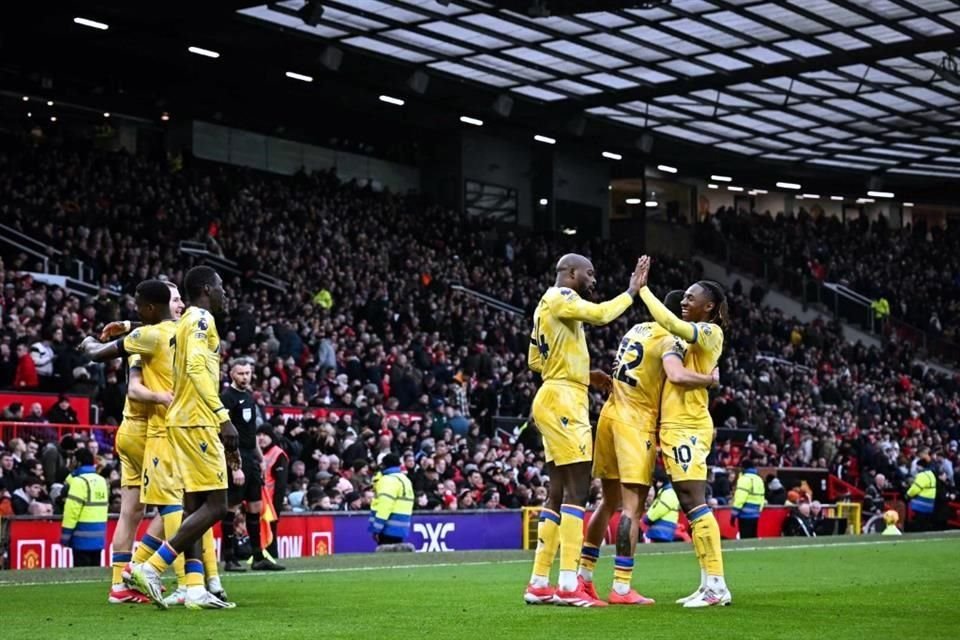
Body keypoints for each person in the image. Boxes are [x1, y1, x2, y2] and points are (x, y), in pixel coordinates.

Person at [578, 290, 717, 605]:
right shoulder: (672, 340)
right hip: (635, 423)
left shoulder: (636, 329)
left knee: (606, 501)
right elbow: (675, 374)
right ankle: (622, 587)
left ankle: (584, 578)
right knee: (632, 507)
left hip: (609, 415)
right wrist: (708, 379)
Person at [523, 253, 643, 608]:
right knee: (577, 492)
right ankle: (567, 585)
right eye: (589, 273)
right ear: (571, 273)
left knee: (557, 492)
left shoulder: (545, 307)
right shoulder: (563, 297)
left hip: (555, 393)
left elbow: (534, 360)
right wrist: (632, 291)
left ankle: (539, 583)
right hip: (564, 400)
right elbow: (603, 314)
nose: (593, 279)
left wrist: (581, 374)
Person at [132, 266, 239, 610]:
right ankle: (151, 566)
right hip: (197, 421)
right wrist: (222, 416)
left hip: (180, 420)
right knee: (218, 505)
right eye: (221, 287)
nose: (225, 293)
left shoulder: (183, 322)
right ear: (207, 288)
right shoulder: (202, 318)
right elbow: (195, 367)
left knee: (194, 506)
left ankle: (194, 590)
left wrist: (125, 328)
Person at [81, 280, 187, 603]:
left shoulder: (146, 337)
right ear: (160, 306)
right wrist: (162, 397)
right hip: (145, 430)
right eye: (176, 299)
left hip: (128, 431)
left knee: (131, 512)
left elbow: (159, 328)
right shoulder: (149, 342)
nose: (182, 305)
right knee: (176, 503)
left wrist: (127, 325)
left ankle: (119, 585)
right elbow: (134, 388)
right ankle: (145, 569)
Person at [635, 255, 731, 607]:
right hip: (675, 426)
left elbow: (672, 327)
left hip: (690, 427)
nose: (686, 302)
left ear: (709, 307)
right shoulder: (686, 339)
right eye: (685, 298)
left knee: (694, 502)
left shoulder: (710, 332)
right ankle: (708, 583)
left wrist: (642, 291)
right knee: (690, 504)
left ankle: (717, 585)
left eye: (692, 298)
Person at [221, 358, 284, 571]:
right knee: (232, 507)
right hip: (236, 458)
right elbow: (224, 435)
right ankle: (229, 559)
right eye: (240, 373)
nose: (245, 377)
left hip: (251, 458)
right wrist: (234, 465)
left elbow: (251, 433)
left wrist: (260, 458)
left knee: (255, 506)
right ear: (232, 374)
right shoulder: (226, 399)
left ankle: (258, 557)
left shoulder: (248, 397)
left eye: (247, 373)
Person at [60, 447, 108, 567]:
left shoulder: (79, 482)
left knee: (81, 572)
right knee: (94, 575)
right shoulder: (102, 480)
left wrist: (65, 536)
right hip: (99, 536)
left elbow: (72, 512)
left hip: (81, 537)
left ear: (77, 462)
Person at [368, 453, 415, 551]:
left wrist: (377, 528)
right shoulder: (405, 479)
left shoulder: (388, 480)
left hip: (387, 527)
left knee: (385, 558)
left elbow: (385, 506)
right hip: (401, 527)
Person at [258, 426, 289, 563]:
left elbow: (281, 483)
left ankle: (272, 557)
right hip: (256, 501)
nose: (261, 437)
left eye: (265, 434)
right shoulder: (256, 453)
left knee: (270, 532)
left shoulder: (278, 454)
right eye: (259, 434)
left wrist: (276, 506)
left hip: (270, 502)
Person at [730, 460, 764, 539]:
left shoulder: (744, 479)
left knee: (745, 538)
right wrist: (759, 510)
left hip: (744, 514)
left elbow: (740, 498)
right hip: (755, 514)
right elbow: (762, 497)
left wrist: (734, 514)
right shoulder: (759, 479)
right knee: (753, 538)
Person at [906, 459, 937, 532]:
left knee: (919, 520)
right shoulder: (931, 474)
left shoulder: (922, 475)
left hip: (921, 502)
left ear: (921, 466)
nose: (916, 468)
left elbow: (915, 488)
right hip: (930, 501)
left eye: (917, 466)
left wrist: (908, 494)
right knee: (926, 521)